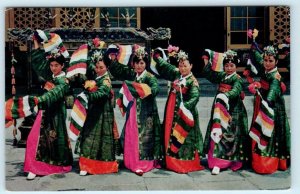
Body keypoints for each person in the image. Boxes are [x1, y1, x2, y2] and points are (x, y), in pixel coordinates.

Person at [108, 45, 163, 176]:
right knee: (131, 133)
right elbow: (118, 71)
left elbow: (155, 89)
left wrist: (144, 90)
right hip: (133, 111)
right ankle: (130, 160)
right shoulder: (133, 75)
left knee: (144, 137)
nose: (139, 66)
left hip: (146, 112)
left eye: (142, 63)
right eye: (137, 63)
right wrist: (113, 59)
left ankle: (142, 163)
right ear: (133, 64)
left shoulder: (149, 77)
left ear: (146, 64)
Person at [24, 33, 73, 180]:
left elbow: (54, 94)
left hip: (56, 114)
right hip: (44, 112)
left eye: (56, 65)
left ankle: (48, 166)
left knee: (51, 141)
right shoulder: (51, 75)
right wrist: (37, 44)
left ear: (62, 65)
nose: (53, 68)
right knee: (34, 139)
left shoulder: (64, 81)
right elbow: (39, 63)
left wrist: (39, 99)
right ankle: (34, 166)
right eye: (51, 65)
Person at [153, 49, 204, 173]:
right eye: (180, 66)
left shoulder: (193, 81)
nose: (182, 68)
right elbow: (167, 67)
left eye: (185, 66)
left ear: (191, 66)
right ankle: (170, 161)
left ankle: (183, 163)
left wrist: (184, 107)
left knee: (183, 137)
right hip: (172, 112)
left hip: (183, 114)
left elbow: (195, 97)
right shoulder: (177, 74)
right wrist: (158, 57)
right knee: (170, 134)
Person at [202, 50, 250, 175]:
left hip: (233, 111)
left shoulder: (237, 79)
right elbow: (210, 75)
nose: (229, 68)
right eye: (226, 65)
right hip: (219, 108)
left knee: (229, 136)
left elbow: (235, 91)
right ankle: (216, 162)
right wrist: (207, 61)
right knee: (218, 132)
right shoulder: (222, 75)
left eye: (232, 66)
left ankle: (227, 162)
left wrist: (225, 96)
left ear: (236, 66)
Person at [245, 45, 290, 174]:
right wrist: (254, 45)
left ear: (276, 62)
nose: (267, 63)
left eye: (271, 61)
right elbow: (258, 58)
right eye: (266, 60)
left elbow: (273, 90)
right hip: (262, 102)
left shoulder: (275, 76)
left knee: (267, 130)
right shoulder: (266, 69)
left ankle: (266, 162)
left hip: (271, 107)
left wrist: (268, 100)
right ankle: (256, 158)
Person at [73, 49, 119, 175]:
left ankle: (100, 166)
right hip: (94, 111)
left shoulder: (106, 81)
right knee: (89, 137)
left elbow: (102, 93)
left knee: (100, 139)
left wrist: (88, 95)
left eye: (101, 67)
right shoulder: (97, 76)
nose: (98, 70)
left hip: (103, 114)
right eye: (97, 67)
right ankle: (86, 164)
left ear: (107, 67)